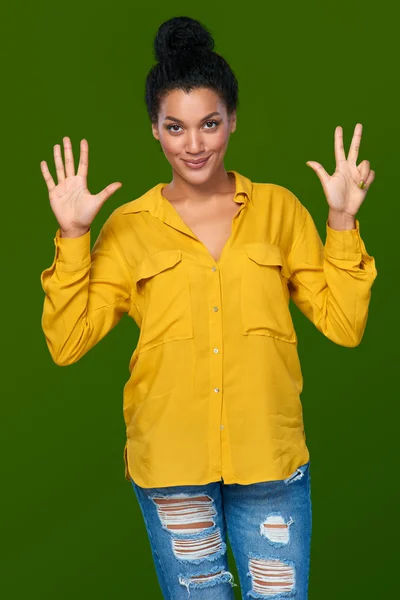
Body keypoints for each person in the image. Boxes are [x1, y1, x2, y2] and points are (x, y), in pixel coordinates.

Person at [40, 15, 378, 600]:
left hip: (269, 463)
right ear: (155, 129)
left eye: (209, 124)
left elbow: (346, 326)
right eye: (176, 127)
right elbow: (67, 343)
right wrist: (72, 238)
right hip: (173, 468)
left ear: (232, 122)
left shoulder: (279, 211)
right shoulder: (129, 229)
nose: (194, 145)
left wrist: (342, 223)